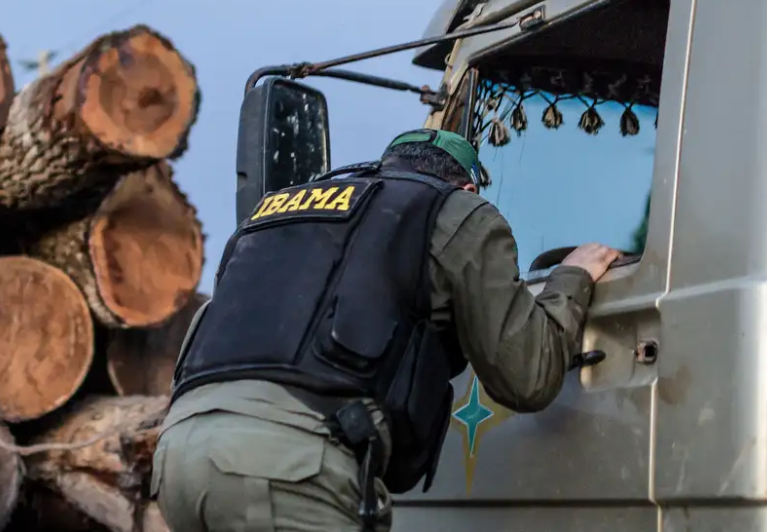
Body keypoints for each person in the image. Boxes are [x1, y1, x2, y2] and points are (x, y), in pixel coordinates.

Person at [151, 128, 622, 532]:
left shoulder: (274, 215)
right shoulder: (457, 211)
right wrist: (572, 276)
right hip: (286, 467)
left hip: (177, 458)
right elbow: (528, 376)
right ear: (467, 189)